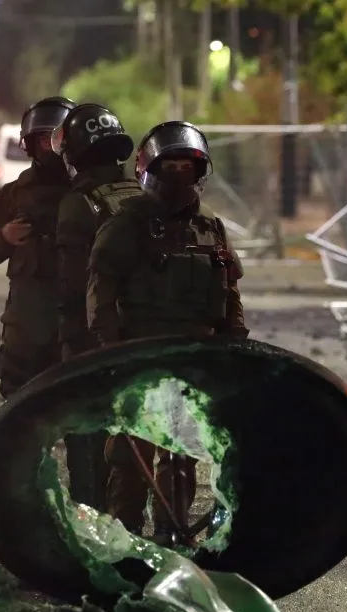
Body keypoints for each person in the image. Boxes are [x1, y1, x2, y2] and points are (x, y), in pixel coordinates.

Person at [85, 121, 250, 545]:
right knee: (131, 452)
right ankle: (124, 537)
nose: (178, 175)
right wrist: (108, 349)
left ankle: (172, 532)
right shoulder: (127, 224)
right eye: (170, 165)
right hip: (139, 350)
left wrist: (235, 341)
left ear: (198, 172)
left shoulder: (210, 226)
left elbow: (229, 285)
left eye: (186, 167)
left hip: (194, 353)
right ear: (151, 169)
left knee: (182, 452)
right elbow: (101, 287)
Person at [49, 104, 140, 508]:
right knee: (134, 446)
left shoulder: (78, 203)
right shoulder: (142, 195)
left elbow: (70, 286)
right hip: (142, 338)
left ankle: (92, 536)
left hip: (91, 344)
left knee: (88, 442)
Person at [0, 96, 75, 398]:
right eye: (42, 139)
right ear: (30, 144)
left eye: (55, 139)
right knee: (19, 414)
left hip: (76, 323)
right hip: (26, 327)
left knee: (81, 415)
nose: (50, 147)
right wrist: (4, 236)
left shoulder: (89, 192)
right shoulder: (15, 194)